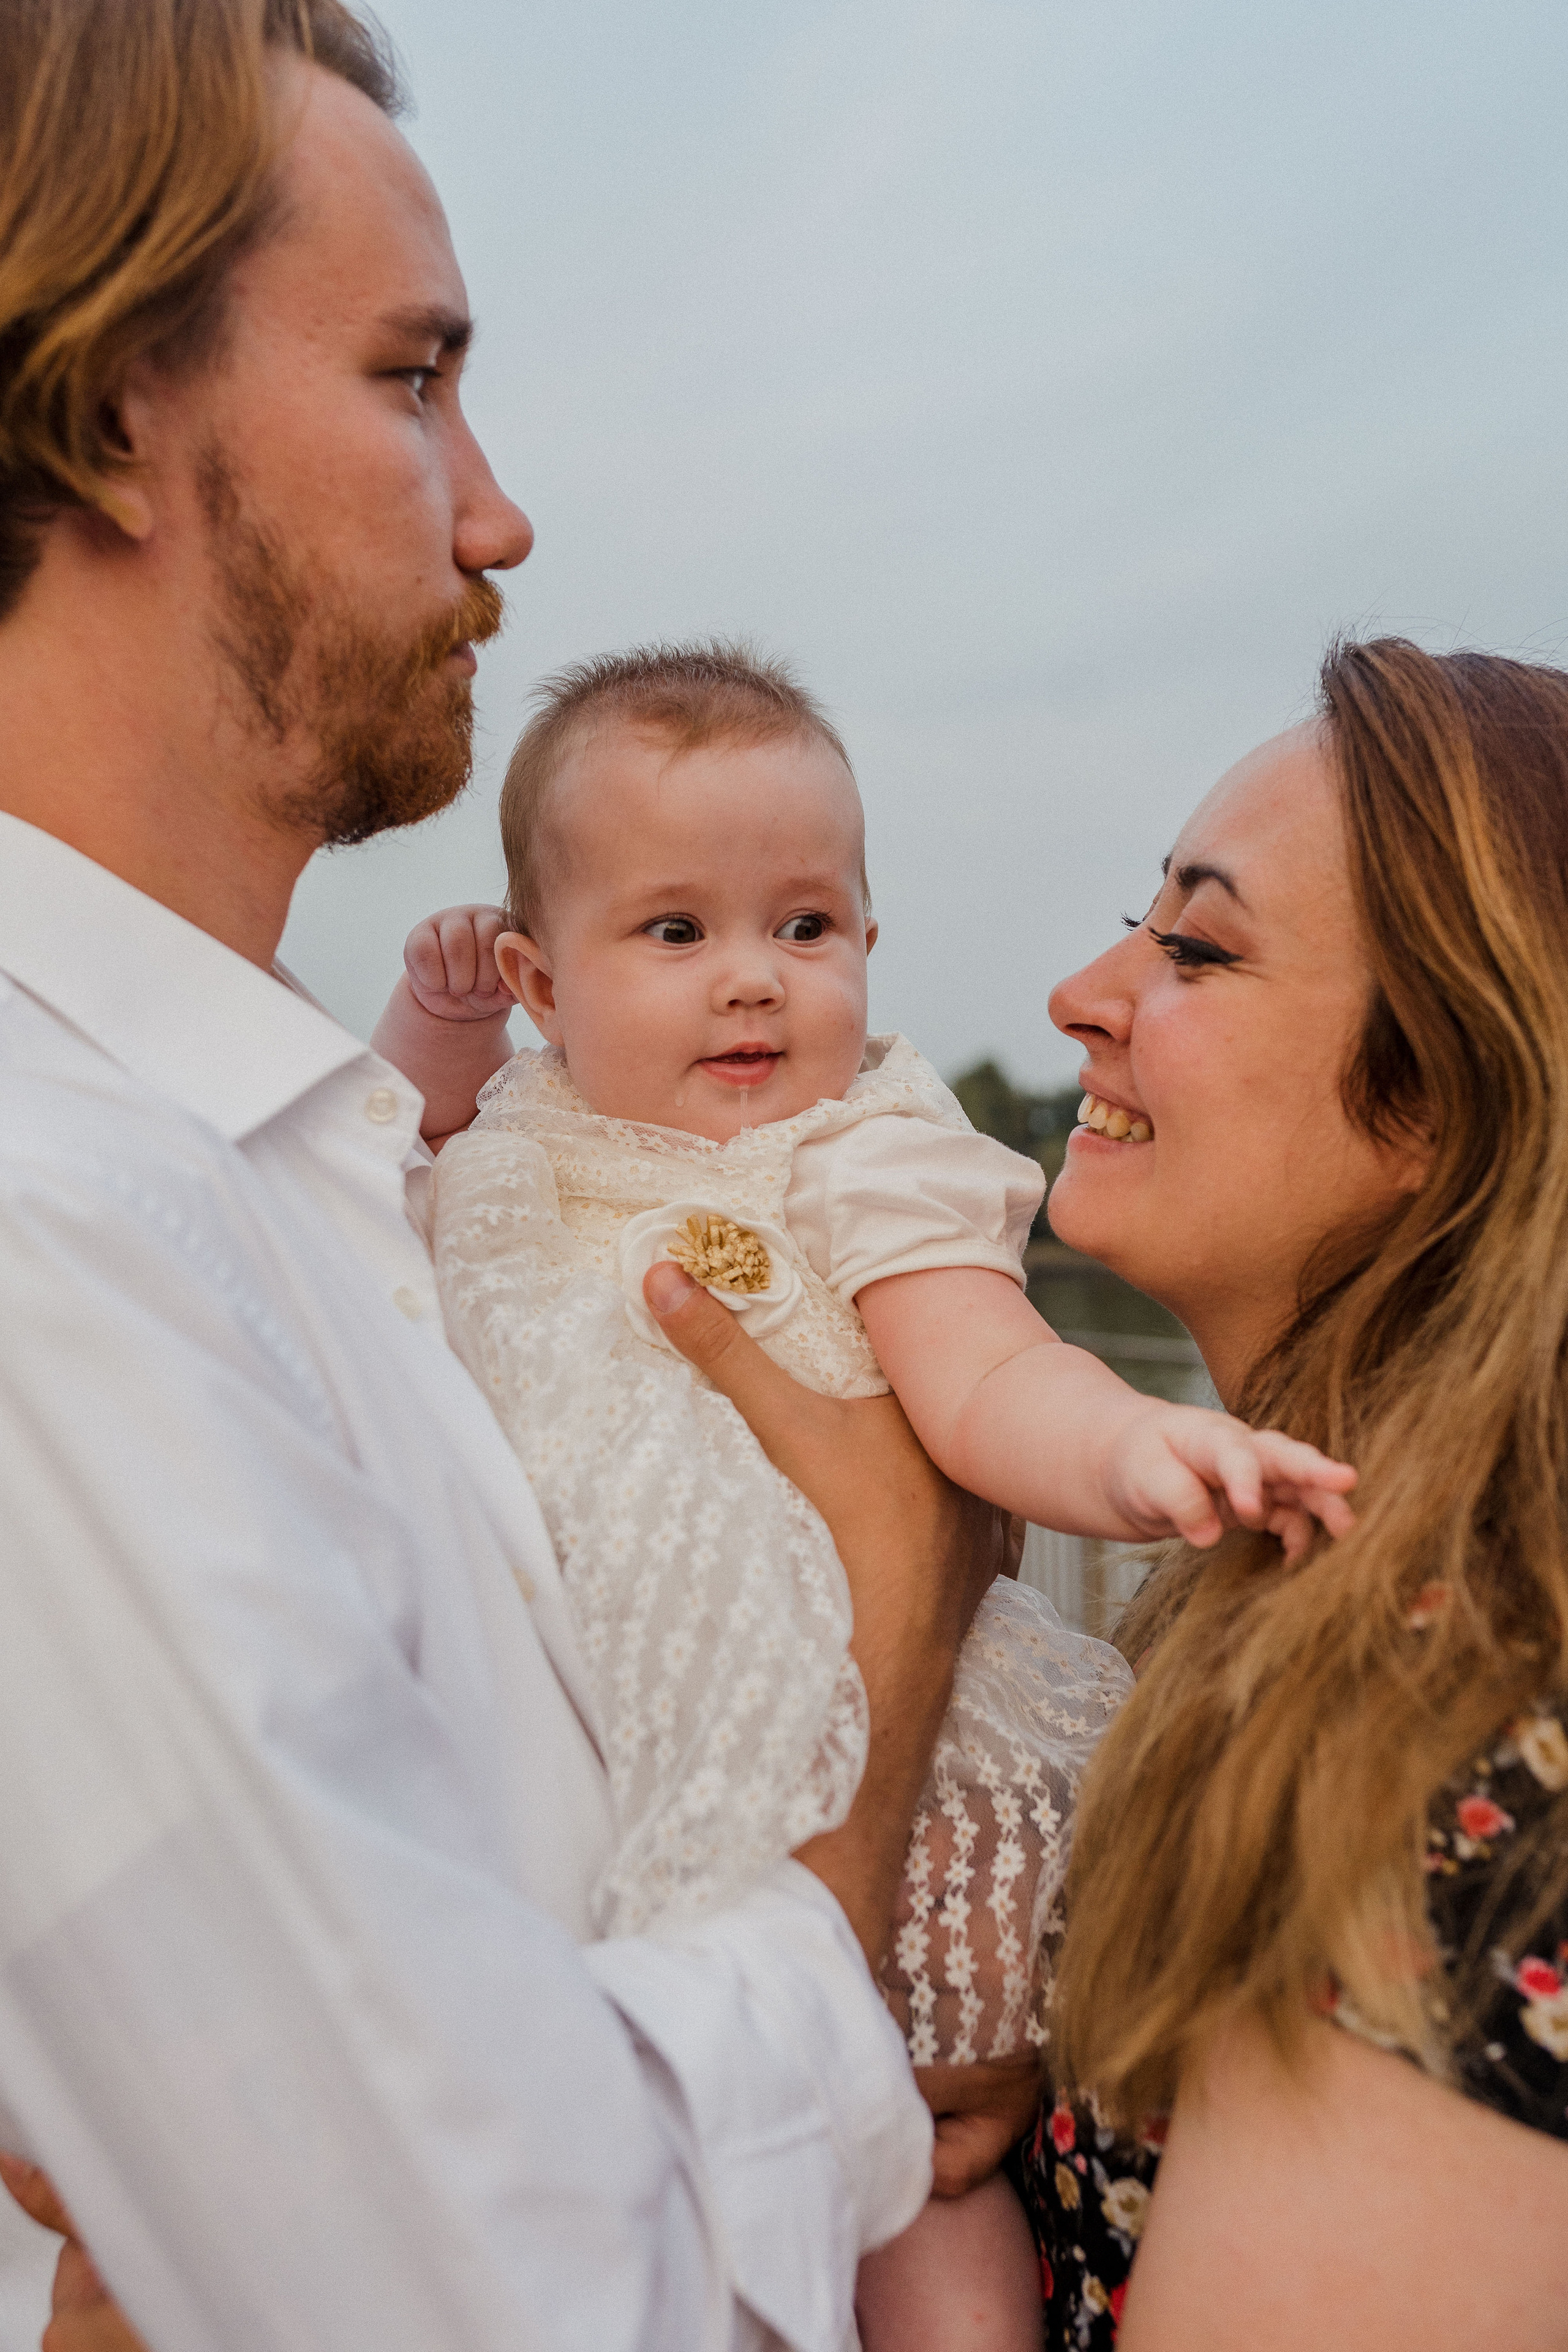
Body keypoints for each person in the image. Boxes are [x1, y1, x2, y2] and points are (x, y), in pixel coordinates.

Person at [0, 5, 1015, 2346]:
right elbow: (517, 2294)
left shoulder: (304, 1184)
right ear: (108, 411)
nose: (499, 510)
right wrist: (886, 1646)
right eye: (413, 378)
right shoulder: (59, 1229)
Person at [369, 640, 1357, 2351]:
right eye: (677, 932)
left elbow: (986, 1372)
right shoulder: (505, 1158)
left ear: (871, 947)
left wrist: (1137, 1448)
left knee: (928, 2207)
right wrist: (430, 1041)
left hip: (884, 1827)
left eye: (805, 926)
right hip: (599, 1822)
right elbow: (360, 1209)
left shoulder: (861, 1158)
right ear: (541, 979)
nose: (753, 982)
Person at [1016, 638, 1568, 2348]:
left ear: (1438, 1100)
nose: (1085, 993)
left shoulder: (1463, 1744)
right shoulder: (1286, 1586)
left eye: (1195, 944)